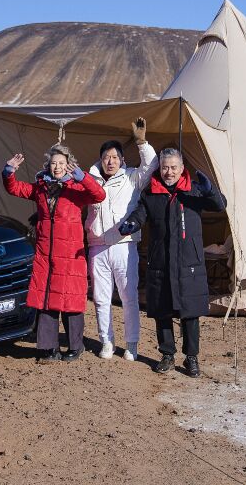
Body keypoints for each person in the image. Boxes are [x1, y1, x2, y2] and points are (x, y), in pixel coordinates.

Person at [120, 148, 226, 378]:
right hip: (161, 262)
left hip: (189, 263)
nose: (169, 172)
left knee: (190, 313)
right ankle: (167, 354)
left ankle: (191, 358)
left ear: (181, 168)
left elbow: (219, 205)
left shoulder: (193, 191)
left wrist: (210, 191)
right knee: (162, 312)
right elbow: (140, 214)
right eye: (165, 167)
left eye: (173, 167)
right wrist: (131, 223)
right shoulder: (151, 194)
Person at [3, 144, 105, 362]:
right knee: (46, 299)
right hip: (45, 254)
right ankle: (47, 349)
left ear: (68, 165)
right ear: (47, 166)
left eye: (61, 163)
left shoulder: (76, 189)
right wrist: (8, 172)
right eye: (53, 163)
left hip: (69, 254)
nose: (57, 167)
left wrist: (82, 177)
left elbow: (99, 195)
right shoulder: (40, 188)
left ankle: (76, 346)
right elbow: (15, 189)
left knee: (70, 300)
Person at [84, 117, 156, 361]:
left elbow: (152, 165)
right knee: (101, 298)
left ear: (122, 160)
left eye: (115, 157)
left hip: (124, 245)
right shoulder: (89, 180)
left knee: (128, 296)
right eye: (106, 157)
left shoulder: (132, 178)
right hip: (97, 246)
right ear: (100, 159)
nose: (110, 161)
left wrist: (142, 142)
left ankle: (132, 343)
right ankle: (106, 341)